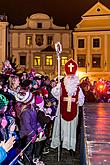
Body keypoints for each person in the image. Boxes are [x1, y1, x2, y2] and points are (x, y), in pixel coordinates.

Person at [51, 58, 85, 153]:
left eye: (72, 77)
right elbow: (54, 93)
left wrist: (79, 102)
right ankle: (61, 144)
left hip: (74, 111)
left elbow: (82, 98)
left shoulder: (78, 88)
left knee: (72, 129)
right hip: (62, 110)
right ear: (66, 76)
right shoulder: (61, 85)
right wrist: (57, 90)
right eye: (69, 77)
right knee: (62, 128)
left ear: (75, 77)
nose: (70, 78)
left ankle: (71, 146)